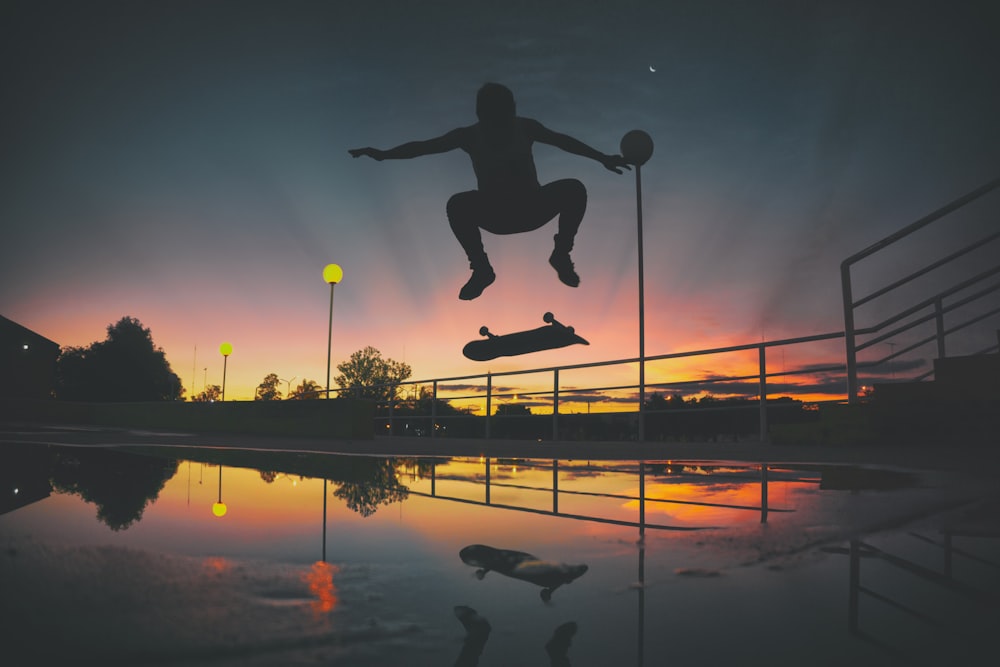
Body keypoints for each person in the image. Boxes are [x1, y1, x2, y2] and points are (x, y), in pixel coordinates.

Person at [349, 83, 630, 300]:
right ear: (482, 115)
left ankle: (561, 253)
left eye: (508, 114)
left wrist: (602, 157)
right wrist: (383, 155)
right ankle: (481, 268)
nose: (504, 123)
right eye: (497, 117)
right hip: (497, 215)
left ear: (513, 111)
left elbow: (563, 141)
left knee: (574, 188)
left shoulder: (525, 127)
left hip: (532, 208)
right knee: (457, 204)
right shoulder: (469, 136)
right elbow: (423, 147)